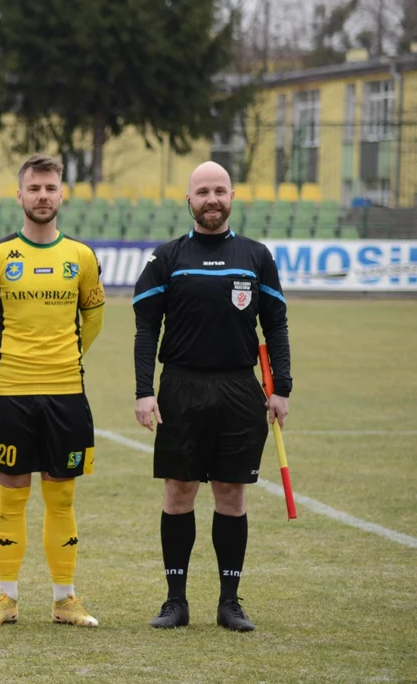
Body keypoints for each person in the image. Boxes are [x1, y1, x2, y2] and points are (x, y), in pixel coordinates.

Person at [132, 160, 292, 633]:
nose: (211, 199)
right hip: (180, 386)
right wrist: (144, 391)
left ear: (232, 196)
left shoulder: (256, 256)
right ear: (189, 200)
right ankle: (175, 601)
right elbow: (146, 330)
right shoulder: (167, 258)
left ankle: (229, 601)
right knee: (179, 492)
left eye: (219, 190)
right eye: (202, 191)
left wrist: (281, 386)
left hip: (241, 389)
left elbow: (276, 324)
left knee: (231, 494)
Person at [0, 154, 105, 628]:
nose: (43, 196)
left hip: (66, 393)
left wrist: (68, 356)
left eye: (50, 188)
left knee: (62, 499)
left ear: (61, 194)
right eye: (34, 188)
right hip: (13, 395)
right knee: (11, 497)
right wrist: (2, 366)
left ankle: (65, 599)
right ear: (19, 195)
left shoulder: (81, 257)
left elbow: (94, 315)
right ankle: (6, 598)